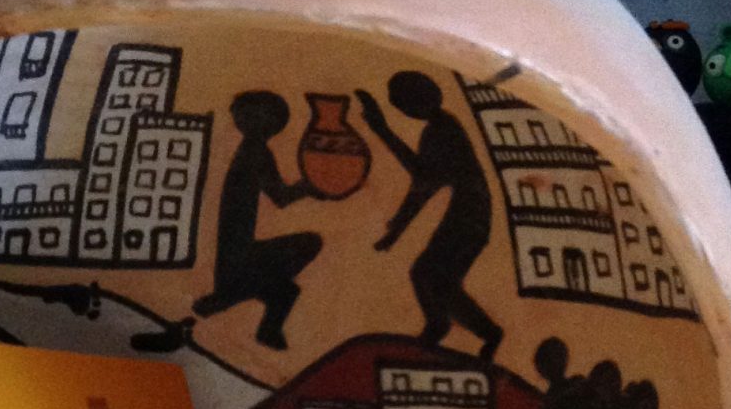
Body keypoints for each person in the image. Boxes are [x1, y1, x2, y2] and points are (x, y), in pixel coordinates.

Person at [357, 71, 502, 359]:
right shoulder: (440, 127)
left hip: (469, 218)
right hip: (468, 216)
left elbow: (423, 181)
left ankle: (467, 329)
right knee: (435, 278)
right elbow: (424, 181)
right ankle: (468, 329)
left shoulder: (443, 129)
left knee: (430, 275)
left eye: (400, 102)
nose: (401, 109)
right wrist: (396, 229)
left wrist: (382, 130)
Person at [192, 91, 322, 351]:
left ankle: (246, 307)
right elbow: (281, 196)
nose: (239, 118)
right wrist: (309, 187)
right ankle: (232, 295)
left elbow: (278, 194)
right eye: (242, 115)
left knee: (285, 290)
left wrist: (308, 188)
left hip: (235, 251)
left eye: (246, 114)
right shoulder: (255, 151)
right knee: (309, 244)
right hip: (238, 253)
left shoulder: (253, 150)